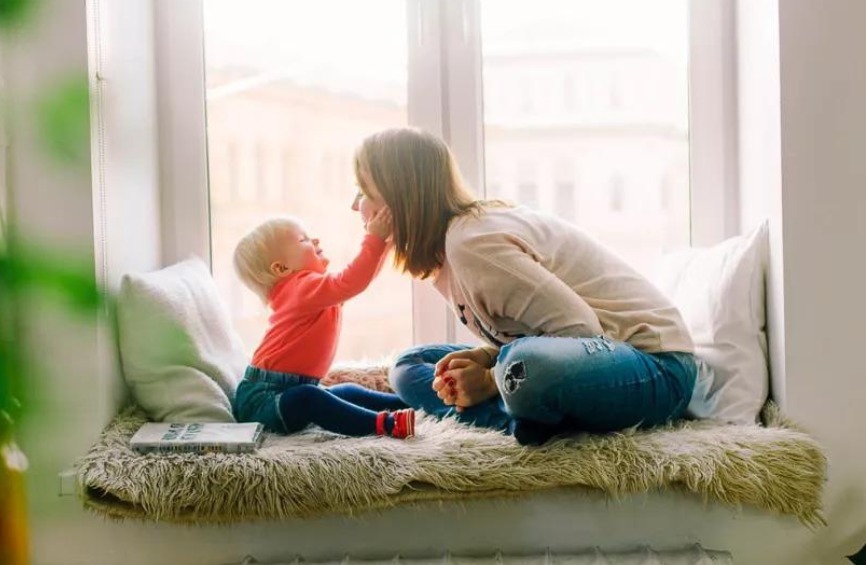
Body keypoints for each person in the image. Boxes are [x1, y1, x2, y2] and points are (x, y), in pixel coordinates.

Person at [350, 127, 696, 445]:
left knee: (523, 366)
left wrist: (488, 378)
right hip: (582, 358)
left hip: (656, 368)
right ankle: (523, 419)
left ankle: (514, 413)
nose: (356, 205)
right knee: (410, 366)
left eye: (364, 192)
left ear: (401, 199)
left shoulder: (472, 244)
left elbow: (581, 331)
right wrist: (488, 359)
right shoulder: (448, 255)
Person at [232, 212, 415, 439]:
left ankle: (409, 403)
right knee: (310, 398)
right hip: (263, 400)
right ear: (281, 269)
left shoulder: (310, 291)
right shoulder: (300, 289)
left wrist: (385, 244)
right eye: (303, 240)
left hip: (289, 389)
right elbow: (351, 281)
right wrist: (375, 240)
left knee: (346, 391)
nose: (315, 240)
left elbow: (358, 282)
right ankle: (385, 425)